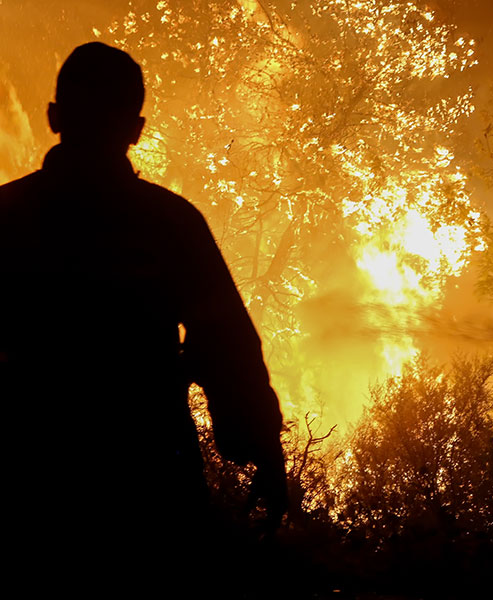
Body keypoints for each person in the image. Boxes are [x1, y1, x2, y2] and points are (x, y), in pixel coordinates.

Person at [0, 42, 287, 583]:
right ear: (136, 129)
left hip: (28, 476)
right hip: (151, 478)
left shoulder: (6, 217)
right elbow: (226, 346)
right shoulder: (172, 223)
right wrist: (262, 450)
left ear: (54, 117)